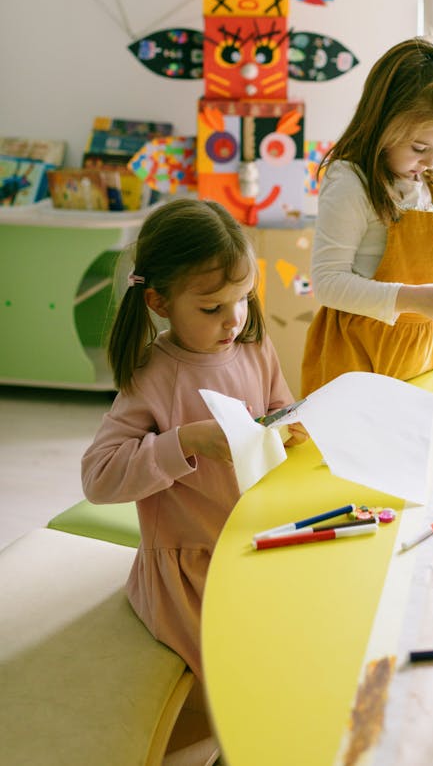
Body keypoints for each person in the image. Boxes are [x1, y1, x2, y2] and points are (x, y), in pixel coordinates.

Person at [82, 197, 305, 686]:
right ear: (160, 302)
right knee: (241, 669)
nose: (235, 319)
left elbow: (280, 411)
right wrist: (183, 442)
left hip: (257, 537)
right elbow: (98, 478)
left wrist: (296, 426)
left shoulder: (253, 346)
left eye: (244, 298)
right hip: (189, 571)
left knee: (314, 625)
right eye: (212, 307)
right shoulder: (153, 375)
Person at [301, 35, 433, 395]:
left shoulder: (426, 181)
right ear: (383, 122)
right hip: (360, 358)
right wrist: (416, 299)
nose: (432, 162)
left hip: (425, 353)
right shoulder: (350, 182)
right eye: (420, 147)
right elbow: (327, 283)